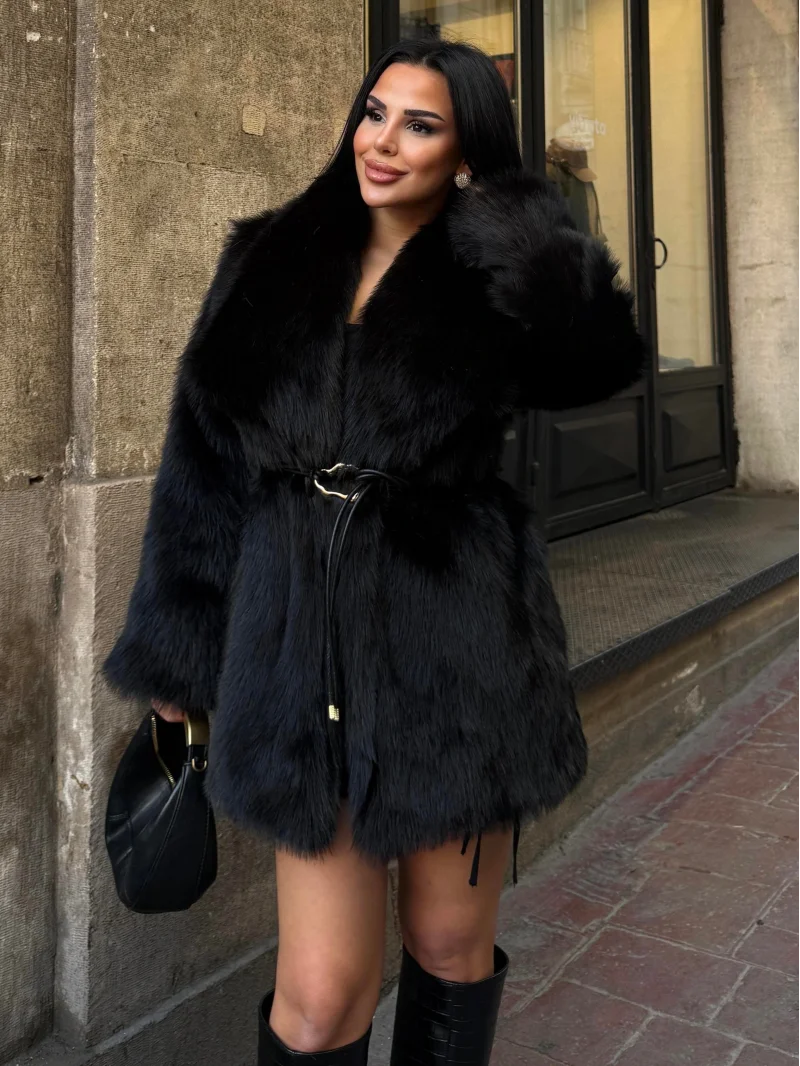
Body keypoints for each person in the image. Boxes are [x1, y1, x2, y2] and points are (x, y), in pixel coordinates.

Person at [103, 36, 646, 1066]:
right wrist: (175, 656)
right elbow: (201, 462)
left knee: (447, 945)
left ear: (465, 153)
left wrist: (516, 220)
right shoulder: (267, 259)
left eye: (421, 125)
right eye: (374, 112)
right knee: (318, 999)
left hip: (456, 650)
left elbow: (597, 360)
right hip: (299, 651)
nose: (383, 142)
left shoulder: (490, 273)